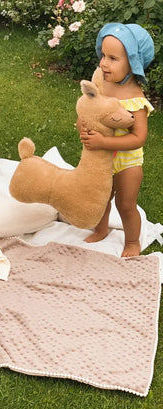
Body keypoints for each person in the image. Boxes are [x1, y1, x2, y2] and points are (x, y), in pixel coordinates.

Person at [79, 23, 154, 257]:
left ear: (133, 62)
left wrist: (104, 143)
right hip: (102, 160)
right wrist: (83, 126)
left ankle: (132, 242)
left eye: (113, 58)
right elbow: (92, 112)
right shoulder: (103, 86)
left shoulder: (135, 98)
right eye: (103, 55)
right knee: (100, 198)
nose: (103, 63)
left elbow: (138, 138)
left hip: (127, 164)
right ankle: (101, 229)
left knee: (125, 205)